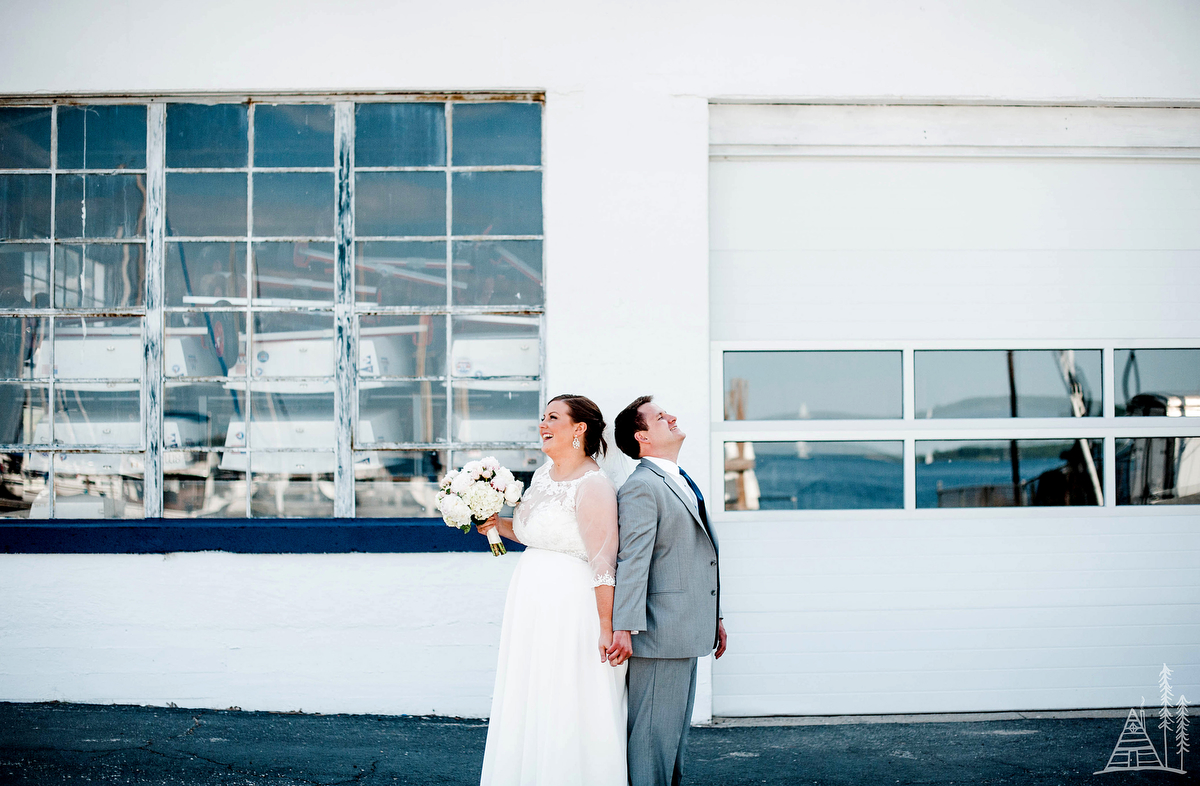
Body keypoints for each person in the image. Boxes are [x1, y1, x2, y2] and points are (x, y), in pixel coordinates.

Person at [476, 394, 627, 786]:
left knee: (566, 696)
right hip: (531, 601)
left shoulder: (594, 484)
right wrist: (496, 523)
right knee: (533, 693)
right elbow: (536, 534)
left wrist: (606, 625)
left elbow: (603, 563)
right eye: (543, 417)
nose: (543, 424)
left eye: (553, 417)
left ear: (579, 429)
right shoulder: (543, 474)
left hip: (570, 606)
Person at [606, 396, 728, 786]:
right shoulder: (641, 487)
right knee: (651, 740)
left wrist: (716, 618)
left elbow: (693, 556)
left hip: (686, 630)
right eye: (661, 417)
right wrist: (623, 627)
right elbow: (633, 561)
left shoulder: (678, 478)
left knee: (672, 740)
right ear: (642, 436)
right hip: (658, 635)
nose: (672, 417)